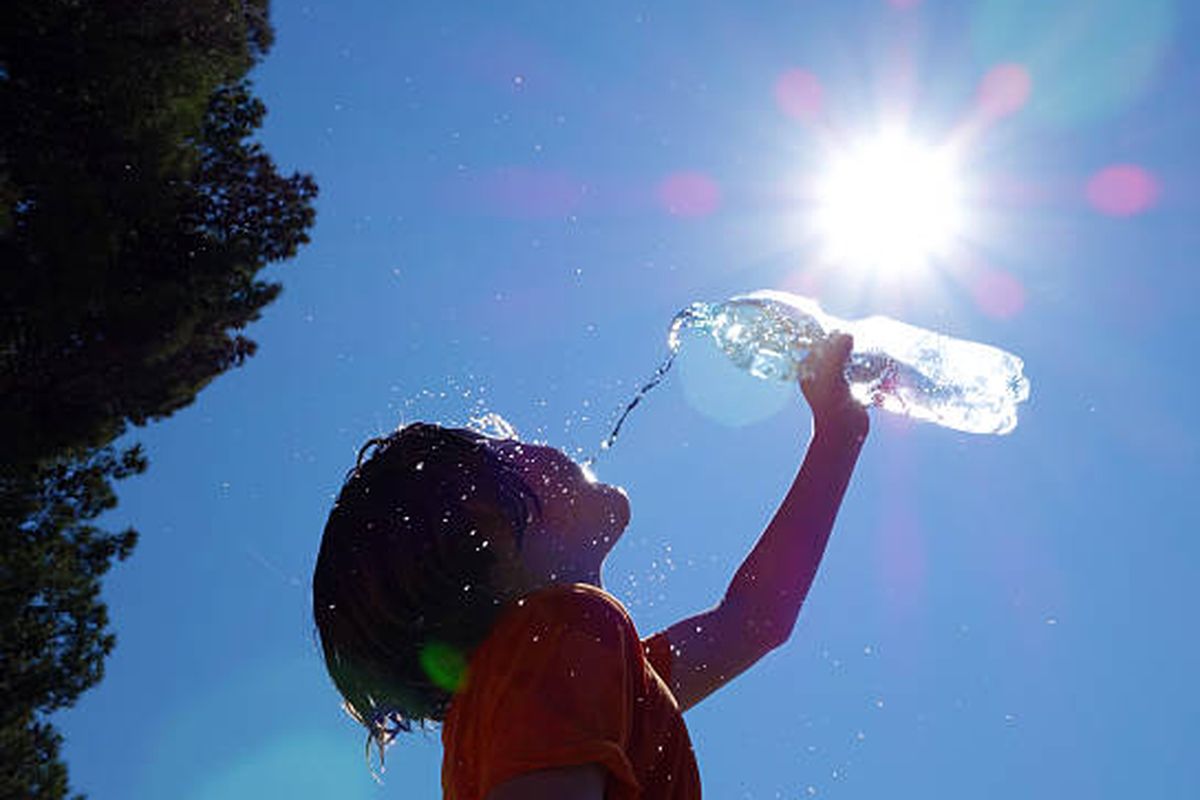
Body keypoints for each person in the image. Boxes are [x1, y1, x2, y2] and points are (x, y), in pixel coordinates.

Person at [312, 333, 869, 799]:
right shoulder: (559, 633)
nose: (536, 444)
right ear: (489, 529)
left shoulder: (564, 674)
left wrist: (839, 435)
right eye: (508, 448)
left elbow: (754, 620)